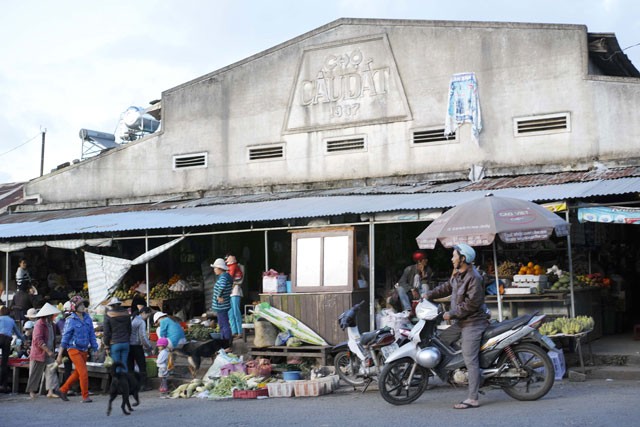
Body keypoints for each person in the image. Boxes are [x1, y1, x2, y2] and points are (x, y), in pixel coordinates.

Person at [423, 243, 488, 410]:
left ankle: (473, 398)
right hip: (462, 321)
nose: (452, 259)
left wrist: (451, 314)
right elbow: (447, 287)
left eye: (454, 256)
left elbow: (471, 304)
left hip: (473, 322)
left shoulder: (474, 277)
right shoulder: (459, 275)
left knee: (470, 358)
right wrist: (429, 294)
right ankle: (453, 373)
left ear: (463, 258)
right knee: (441, 340)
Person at [54, 295, 99, 403]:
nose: (83, 306)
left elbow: (92, 334)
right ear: (74, 307)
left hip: (84, 349)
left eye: (83, 304)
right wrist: (60, 354)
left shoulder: (87, 318)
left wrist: (95, 348)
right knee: (83, 372)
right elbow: (65, 338)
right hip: (73, 349)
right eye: (80, 305)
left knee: (78, 373)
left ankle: (62, 390)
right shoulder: (70, 320)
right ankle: (85, 396)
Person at [26, 302, 61, 399]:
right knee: (35, 372)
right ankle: (32, 392)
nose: (53, 316)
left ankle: (50, 391)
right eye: (52, 315)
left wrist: (52, 350)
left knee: (51, 371)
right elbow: (38, 340)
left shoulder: (52, 325)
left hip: (49, 351)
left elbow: (53, 338)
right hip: (39, 352)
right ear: (48, 315)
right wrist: (48, 350)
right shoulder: (39, 324)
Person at [0, 305, 26, 393]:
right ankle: (4, 385)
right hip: (7, 339)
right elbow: (18, 334)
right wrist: (24, 341)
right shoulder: (11, 320)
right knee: (4, 362)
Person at [103, 297, 131, 373]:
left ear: (111, 306)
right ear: (119, 304)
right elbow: (129, 329)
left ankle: (118, 383)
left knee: (116, 366)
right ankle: (125, 383)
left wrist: (106, 345)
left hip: (115, 343)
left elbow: (106, 332)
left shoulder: (108, 315)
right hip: (125, 342)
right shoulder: (126, 314)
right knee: (124, 364)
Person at [209, 258, 233, 347]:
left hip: (222, 306)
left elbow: (222, 286)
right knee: (222, 324)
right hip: (222, 305)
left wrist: (219, 295)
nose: (214, 270)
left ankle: (227, 343)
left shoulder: (223, 278)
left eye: (215, 268)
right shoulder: (225, 277)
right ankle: (224, 342)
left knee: (224, 324)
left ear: (220, 268)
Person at [129, 306, 153, 391]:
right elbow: (143, 336)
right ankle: (143, 385)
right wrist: (149, 347)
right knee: (142, 366)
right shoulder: (141, 322)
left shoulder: (132, 318)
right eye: (148, 316)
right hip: (136, 346)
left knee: (130, 367)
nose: (147, 318)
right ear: (143, 313)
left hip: (128, 346)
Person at [226, 255, 244, 339]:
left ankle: (240, 332)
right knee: (230, 312)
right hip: (229, 291)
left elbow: (230, 277)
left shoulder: (233, 266)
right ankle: (234, 331)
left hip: (235, 291)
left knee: (235, 311)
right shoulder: (229, 267)